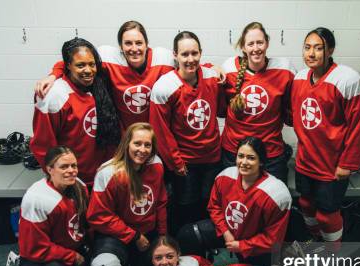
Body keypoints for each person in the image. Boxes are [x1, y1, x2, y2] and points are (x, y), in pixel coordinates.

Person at [86, 122, 167, 266]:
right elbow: (97, 216)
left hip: (145, 234)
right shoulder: (108, 172)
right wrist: (132, 236)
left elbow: (160, 201)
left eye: (147, 145)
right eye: (137, 143)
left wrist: (161, 237)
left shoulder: (157, 166)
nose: (142, 149)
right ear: (126, 144)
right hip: (116, 234)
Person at [290, 28, 360, 242]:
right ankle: (315, 239)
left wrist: (348, 163)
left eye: (319, 48)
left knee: (327, 215)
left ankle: (332, 253)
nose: (311, 53)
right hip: (306, 161)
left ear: (331, 50)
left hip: (332, 165)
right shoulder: (300, 78)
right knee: (306, 205)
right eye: (307, 47)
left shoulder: (347, 79)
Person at [35, 21, 175, 132]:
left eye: (139, 43)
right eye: (128, 43)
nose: (134, 48)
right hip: (123, 133)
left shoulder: (163, 58)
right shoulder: (109, 58)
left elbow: (189, 63)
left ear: (146, 44)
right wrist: (54, 75)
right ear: (120, 46)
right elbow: (76, 61)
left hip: (154, 132)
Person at [177, 137, 291, 266]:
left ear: (261, 162)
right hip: (228, 232)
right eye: (240, 156)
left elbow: (273, 239)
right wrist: (225, 231)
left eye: (251, 158)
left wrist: (242, 246)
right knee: (188, 234)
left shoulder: (276, 194)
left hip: (254, 244)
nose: (243, 162)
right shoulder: (225, 177)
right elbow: (214, 207)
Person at [149, 31, 222, 229]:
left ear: (201, 53)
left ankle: (205, 249)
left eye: (194, 53)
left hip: (212, 158)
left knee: (208, 204)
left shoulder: (211, 76)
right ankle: (187, 246)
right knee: (185, 207)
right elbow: (161, 131)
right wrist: (176, 162)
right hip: (185, 161)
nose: (190, 59)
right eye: (184, 54)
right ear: (175, 55)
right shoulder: (165, 87)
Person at [31, 38, 120, 186]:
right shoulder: (55, 96)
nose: (88, 70)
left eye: (91, 64)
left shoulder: (99, 82)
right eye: (80, 65)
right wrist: (61, 180)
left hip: (103, 175)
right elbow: (43, 145)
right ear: (68, 66)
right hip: (75, 181)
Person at [221, 22, 295, 184]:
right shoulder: (228, 69)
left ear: (267, 43)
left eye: (260, 42)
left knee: (274, 200)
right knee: (235, 199)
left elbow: (291, 110)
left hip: (270, 152)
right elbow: (221, 108)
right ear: (243, 47)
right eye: (251, 43)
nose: (256, 48)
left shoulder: (285, 70)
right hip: (235, 150)